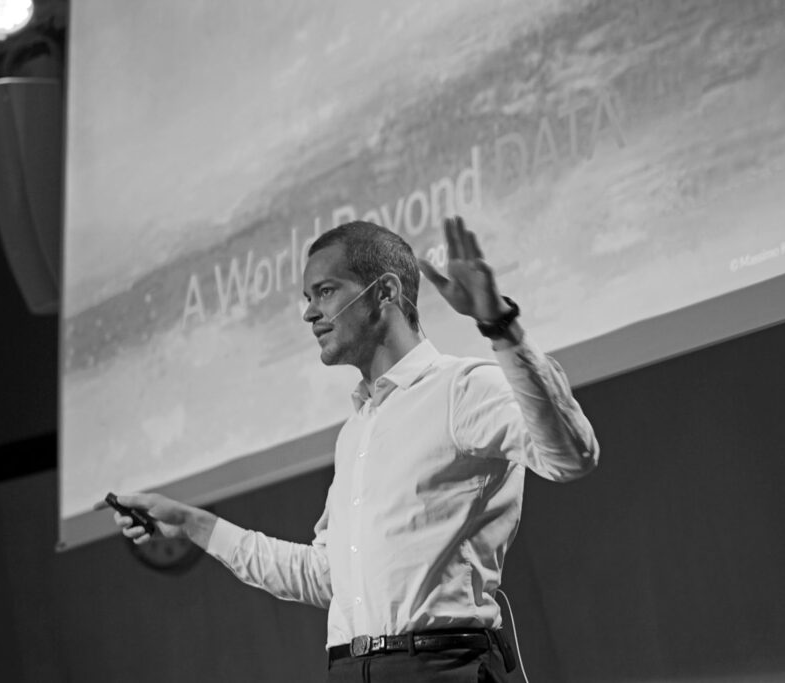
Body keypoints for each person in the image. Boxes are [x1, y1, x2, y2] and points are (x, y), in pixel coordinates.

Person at [97, 217, 599, 682]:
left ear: (384, 292)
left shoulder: (460, 388)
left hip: (439, 668)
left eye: (325, 291)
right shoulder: (357, 430)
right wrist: (193, 524)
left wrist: (500, 326)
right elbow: (326, 577)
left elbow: (570, 456)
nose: (309, 312)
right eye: (307, 296)